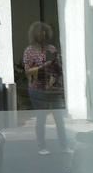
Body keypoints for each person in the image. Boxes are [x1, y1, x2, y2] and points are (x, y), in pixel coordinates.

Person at [22, 21, 67, 154]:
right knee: (41, 119)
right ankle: (42, 147)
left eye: (45, 32)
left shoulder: (51, 49)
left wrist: (57, 65)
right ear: (34, 34)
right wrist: (43, 67)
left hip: (53, 89)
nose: (43, 35)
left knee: (59, 118)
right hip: (37, 89)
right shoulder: (29, 51)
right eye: (40, 32)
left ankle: (64, 146)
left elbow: (59, 68)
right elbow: (27, 72)